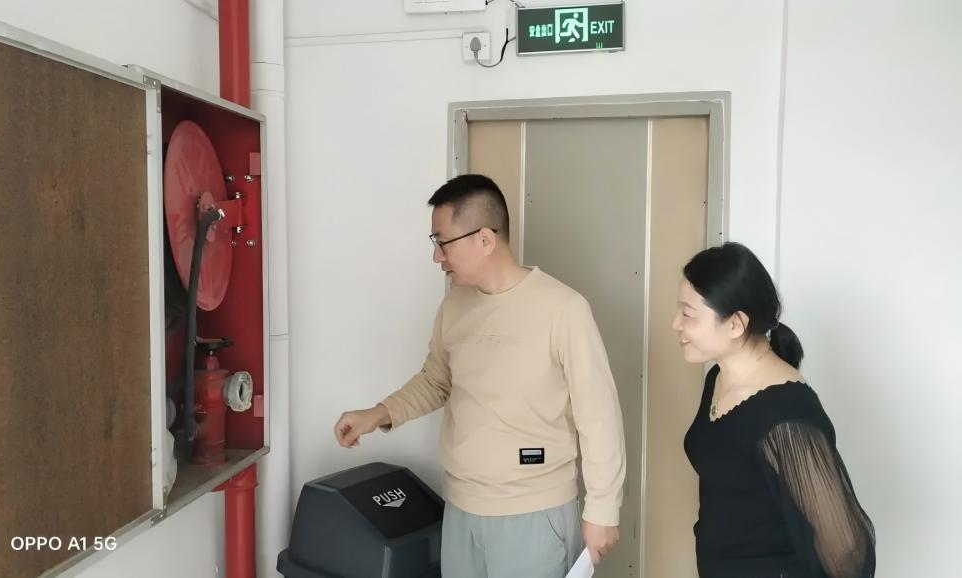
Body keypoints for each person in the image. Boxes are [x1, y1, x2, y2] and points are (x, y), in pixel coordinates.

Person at [334, 174, 626, 578]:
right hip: (461, 512)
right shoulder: (455, 306)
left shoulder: (564, 310)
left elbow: (600, 416)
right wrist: (377, 414)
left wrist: (603, 509)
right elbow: (436, 380)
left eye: (443, 242)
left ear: (485, 239)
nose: (437, 257)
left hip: (534, 516)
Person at [674, 242, 876, 578]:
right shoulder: (718, 377)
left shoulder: (785, 413)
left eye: (687, 315)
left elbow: (847, 551)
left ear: (736, 324)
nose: (675, 324)